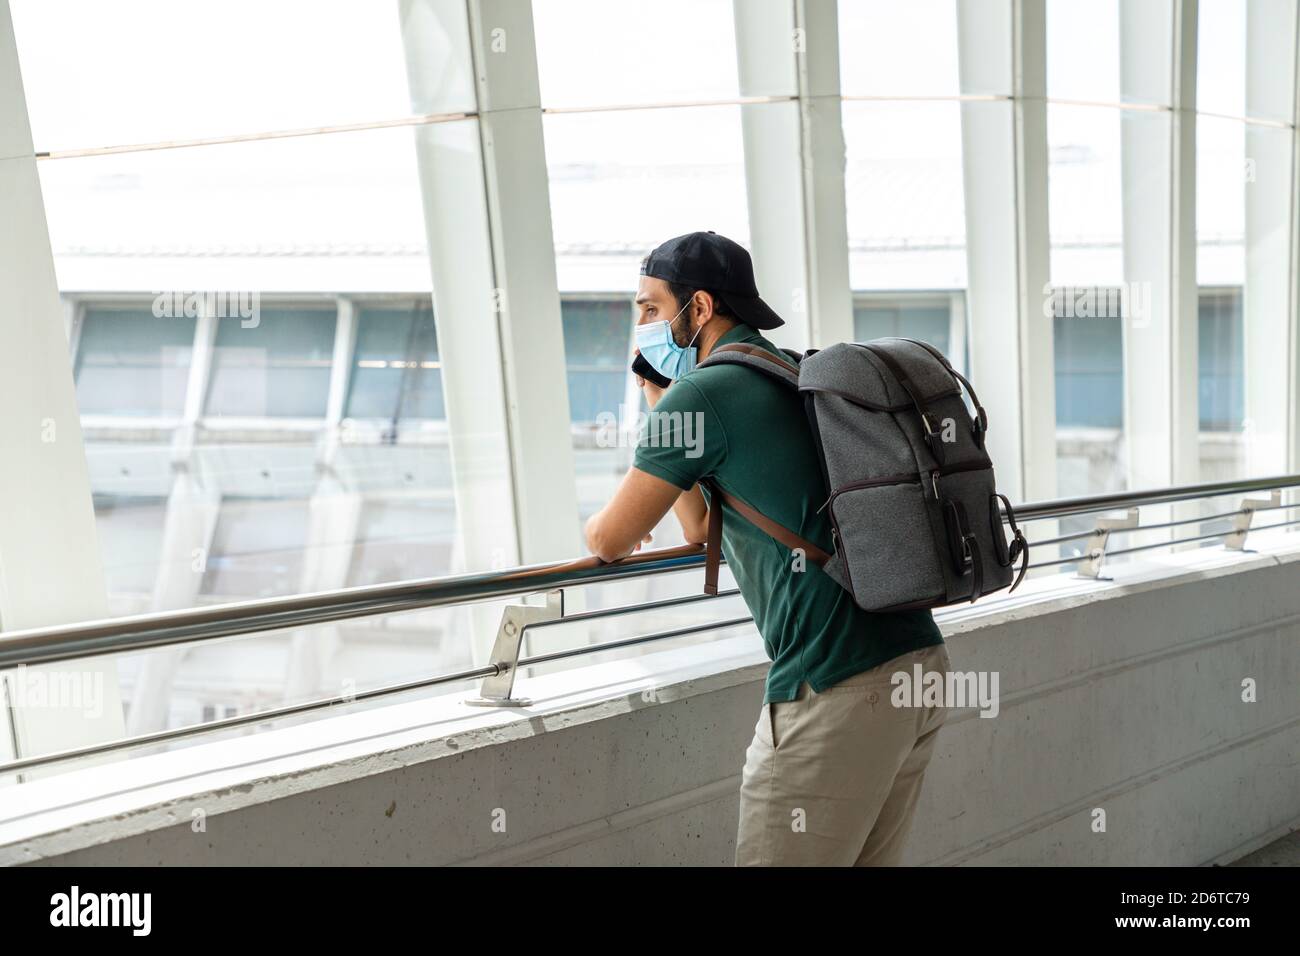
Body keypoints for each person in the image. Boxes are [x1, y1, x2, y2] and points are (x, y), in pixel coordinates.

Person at [583, 230, 951, 866]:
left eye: (648, 308)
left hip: (834, 684)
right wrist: (656, 399)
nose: (640, 324)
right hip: (913, 661)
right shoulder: (786, 369)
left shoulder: (704, 394)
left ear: (697, 309)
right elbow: (699, 529)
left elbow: (610, 538)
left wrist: (663, 412)